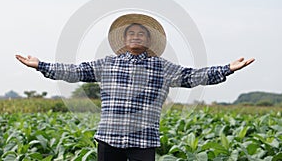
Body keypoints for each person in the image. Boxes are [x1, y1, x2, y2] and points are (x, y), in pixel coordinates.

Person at [16, 13, 255, 161]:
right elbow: (74, 71)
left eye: (141, 34)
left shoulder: (163, 67)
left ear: (149, 40)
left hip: (143, 139)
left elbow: (193, 76)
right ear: (124, 39)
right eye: (131, 33)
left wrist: (227, 68)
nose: (136, 36)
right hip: (109, 138)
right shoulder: (106, 64)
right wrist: (41, 65)